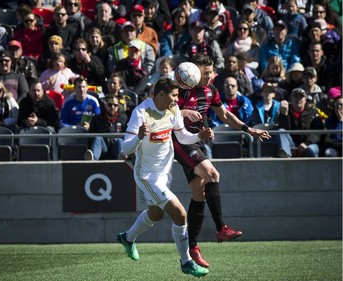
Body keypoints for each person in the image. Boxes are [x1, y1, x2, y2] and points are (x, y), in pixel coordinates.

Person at [172, 53, 270, 267]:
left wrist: (248, 130)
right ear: (194, 73)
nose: (211, 76)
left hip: (196, 142)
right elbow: (163, 112)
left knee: (199, 192)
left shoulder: (211, 91)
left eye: (211, 72)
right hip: (179, 141)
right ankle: (221, 228)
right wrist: (183, 111)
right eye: (206, 73)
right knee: (213, 174)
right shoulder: (179, 91)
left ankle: (192, 247)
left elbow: (224, 115)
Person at [117, 77, 211, 277]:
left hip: (164, 173)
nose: (177, 100)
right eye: (174, 95)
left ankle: (127, 238)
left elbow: (182, 136)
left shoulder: (173, 109)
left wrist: (198, 137)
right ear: (161, 94)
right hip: (146, 175)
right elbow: (125, 148)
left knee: (156, 214)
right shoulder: (141, 112)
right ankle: (186, 262)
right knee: (180, 214)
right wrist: (138, 137)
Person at [276, 88, 325, 158]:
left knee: (311, 149)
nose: (298, 99)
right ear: (291, 99)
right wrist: (284, 115)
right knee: (281, 131)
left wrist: (307, 143)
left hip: (309, 144)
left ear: (305, 100)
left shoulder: (313, 112)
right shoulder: (286, 110)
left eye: (301, 97)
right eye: (295, 97)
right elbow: (284, 130)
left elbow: (318, 132)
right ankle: (286, 159)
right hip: (292, 144)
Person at [88, 96, 127, 160]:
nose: (112, 107)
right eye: (110, 105)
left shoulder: (123, 118)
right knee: (98, 138)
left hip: (116, 148)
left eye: (115, 105)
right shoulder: (97, 119)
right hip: (103, 149)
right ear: (105, 105)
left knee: (120, 141)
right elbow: (90, 138)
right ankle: (92, 159)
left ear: (118, 106)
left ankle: (122, 160)